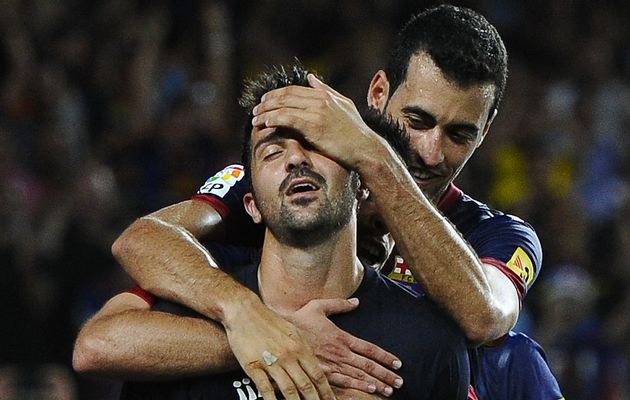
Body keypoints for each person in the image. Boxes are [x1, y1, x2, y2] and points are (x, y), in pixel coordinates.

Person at [76, 4, 562, 399]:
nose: (430, 152)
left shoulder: (498, 234)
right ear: (378, 92)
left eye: (459, 134)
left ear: (486, 132)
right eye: (416, 121)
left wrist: (376, 157)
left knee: (514, 358)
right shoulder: (298, 183)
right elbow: (142, 241)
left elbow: (484, 317)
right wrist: (254, 322)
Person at [76, 64, 471, 400]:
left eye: (317, 144)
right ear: (250, 205)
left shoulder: (429, 343)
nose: (296, 157)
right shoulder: (180, 319)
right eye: (272, 151)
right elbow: (94, 345)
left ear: (361, 183)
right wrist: (274, 336)